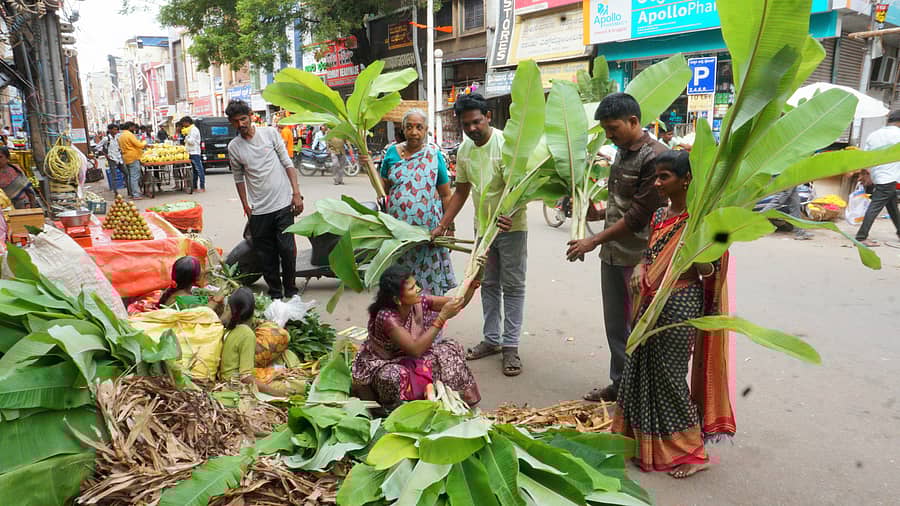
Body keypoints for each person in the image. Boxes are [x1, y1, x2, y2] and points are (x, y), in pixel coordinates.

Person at [612, 150, 735, 478]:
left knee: (668, 376)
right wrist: (640, 265)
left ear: (686, 180)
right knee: (641, 370)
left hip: (680, 303)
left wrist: (695, 255)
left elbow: (714, 267)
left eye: (664, 177)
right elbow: (649, 251)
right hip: (647, 302)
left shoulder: (704, 221)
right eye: (656, 176)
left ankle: (694, 450)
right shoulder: (659, 215)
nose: (657, 183)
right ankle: (642, 440)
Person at [566, 93, 667, 402]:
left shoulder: (655, 157)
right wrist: (596, 213)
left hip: (640, 257)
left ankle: (641, 392)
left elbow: (638, 217)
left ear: (633, 121)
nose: (608, 136)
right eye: (606, 130)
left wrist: (592, 240)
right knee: (616, 324)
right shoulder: (622, 151)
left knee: (640, 325)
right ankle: (621, 383)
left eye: (613, 129)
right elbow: (621, 204)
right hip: (612, 253)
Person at [431, 93, 525, 377]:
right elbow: (461, 190)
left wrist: (515, 209)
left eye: (476, 122)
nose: (472, 129)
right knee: (487, 283)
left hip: (511, 228)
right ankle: (492, 339)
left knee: (513, 285)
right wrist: (443, 223)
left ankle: (510, 345)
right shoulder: (464, 151)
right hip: (481, 229)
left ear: (488, 117)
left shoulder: (507, 144)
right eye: (465, 125)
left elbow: (524, 185)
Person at [351, 264, 481, 410]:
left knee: (450, 350)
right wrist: (442, 317)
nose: (418, 289)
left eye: (416, 285)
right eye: (412, 288)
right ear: (397, 299)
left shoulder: (420, 301)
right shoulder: (387, 316)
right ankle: (393, 409)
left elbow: (457, 303)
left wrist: (472, 285)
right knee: (393, 376)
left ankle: (455, 399)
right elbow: (415, 350)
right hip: (385, 363)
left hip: (412, 359)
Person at [370, 109, 457, 296]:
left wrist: (449, 227)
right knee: (401, 282)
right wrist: (368, 166)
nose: (414, 132)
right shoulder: (391, 153)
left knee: (427, 285)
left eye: (419, 127)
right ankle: (404, 321)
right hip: (398, 233)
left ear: (426, 130)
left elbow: (445, 195)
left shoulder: (434, 156)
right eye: (409, 127)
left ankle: (428, 322)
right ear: (403, 129)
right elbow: (384, 189)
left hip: (428, 233)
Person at [227, 99, 304, 299]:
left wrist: (296, 193)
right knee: (266, 255)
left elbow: (287, 163)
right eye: (235, 121)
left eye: (243, 119)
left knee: (287, 250)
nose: (241, 124)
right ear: (231, 123)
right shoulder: (234, 147)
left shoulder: (269, 134)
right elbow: (238, 178)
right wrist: (246, 205)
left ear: (251, 116)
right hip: (259, 210)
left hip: (282, 203)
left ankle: (291, 290)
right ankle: (276, 293)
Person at [218, 287, 283, 395]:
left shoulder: (229, 329)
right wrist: (275, 392)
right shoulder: (246, 333)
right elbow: (245, 377)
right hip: (234, 385)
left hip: (224, 379)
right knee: (297, 385)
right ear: (252, 310)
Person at [855, 110, 900, 247]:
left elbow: (866, 157)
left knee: (892, 206)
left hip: (878, 175)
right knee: (875, 206)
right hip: (890, 176)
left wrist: (866, 174)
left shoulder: (873, 135)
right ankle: (861, 236)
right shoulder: (898, 134)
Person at [118, 122, 146, 200]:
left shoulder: (121, 136)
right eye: (133, 127)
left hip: (126, 157)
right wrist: (145, 144)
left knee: (130, 176)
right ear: (130, 127)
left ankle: (132, 193)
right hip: (133, 157)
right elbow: (138, 144)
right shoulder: (129, 135)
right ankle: (136, 194)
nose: (134, 129)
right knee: (134, 176)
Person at [179, 116, 206, 192]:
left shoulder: (194, 130)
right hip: (190, 152)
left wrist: (186, 137)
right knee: (194, 171)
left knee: (199, 170)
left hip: (195, 152)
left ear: (187, 122)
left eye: (184, 123)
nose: (183, 125)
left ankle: (202, 186)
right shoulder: (189, 130)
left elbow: (192, 141)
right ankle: (194, 186)